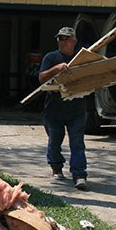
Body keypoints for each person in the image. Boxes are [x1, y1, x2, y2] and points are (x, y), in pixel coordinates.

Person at [38, 27, 88, 190]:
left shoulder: (82, 58)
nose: (62, 41)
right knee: (54, 142)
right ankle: (56, 168)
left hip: (77, 109)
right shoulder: (51, 57)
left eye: (66, 38)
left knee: (77, 142)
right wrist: (57, 68)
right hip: (54, 110)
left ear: (74, 40)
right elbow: (41, 78)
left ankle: (79, 175)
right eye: (60, 38)